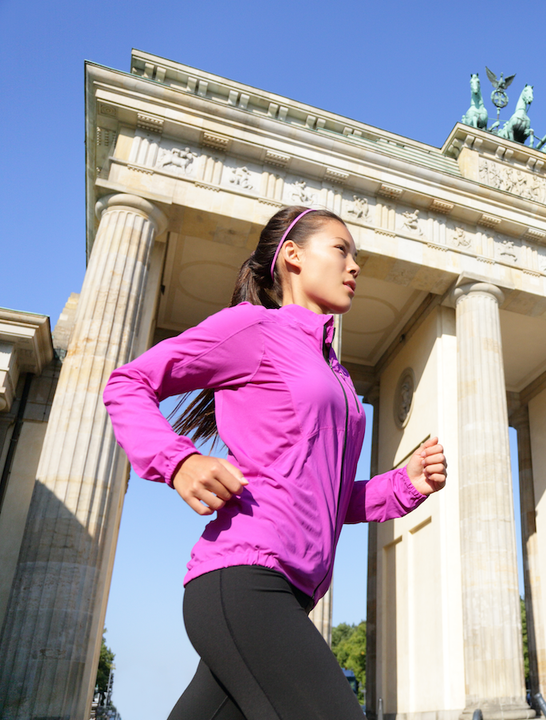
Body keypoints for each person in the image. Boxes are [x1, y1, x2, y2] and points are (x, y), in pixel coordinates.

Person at [103, 206, 447, 719]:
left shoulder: (339, 375)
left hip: (288, 592)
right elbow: (127, 384)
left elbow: (324, 493)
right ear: (292, 255)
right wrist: (178, 462)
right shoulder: (253, 329)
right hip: (244, 579)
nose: (355, 266)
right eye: (341, 250)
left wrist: (402, 484)